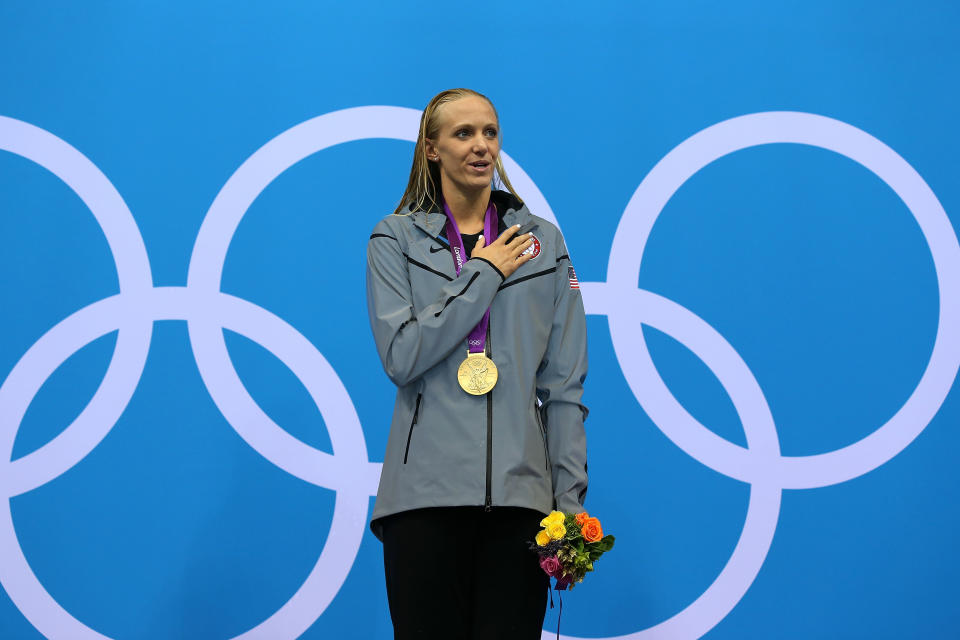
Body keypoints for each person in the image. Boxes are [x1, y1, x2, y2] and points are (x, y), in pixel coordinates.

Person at [365, 88, 589, 639]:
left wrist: (568, 506)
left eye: (489, 132)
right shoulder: (394, 240)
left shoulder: (544, 245)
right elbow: (402, 355)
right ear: (431, 148)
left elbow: (563, 388)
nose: (480, 145)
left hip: (521, 505)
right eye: (463, 133)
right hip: (423, 502)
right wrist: (483, 273)